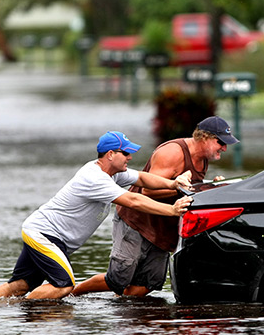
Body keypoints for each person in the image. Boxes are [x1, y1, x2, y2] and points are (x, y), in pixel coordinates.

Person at [0, 131, 193, 300]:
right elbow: (133, 201)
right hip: (44, 234)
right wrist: (172, 210)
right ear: (111, 154)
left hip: (43, 233)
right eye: (126, 153)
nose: (130, 157)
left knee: (21, 285)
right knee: (64, 285)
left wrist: (172, 183)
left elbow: (143, 178)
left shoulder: (112, 173)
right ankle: (26, 314)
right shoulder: (95, 178)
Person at [72, 116, 239, 298]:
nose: (224, 148)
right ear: (204, 137)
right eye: (221, 142)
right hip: (136, 221)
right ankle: (73, 293)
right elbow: (147, 192)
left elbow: (189, 188)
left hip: (162, 226)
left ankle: (121, 312)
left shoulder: (203, 157)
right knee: (118, 278)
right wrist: (188, 189)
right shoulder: (173, 152)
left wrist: (210, 186)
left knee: (148, 283)